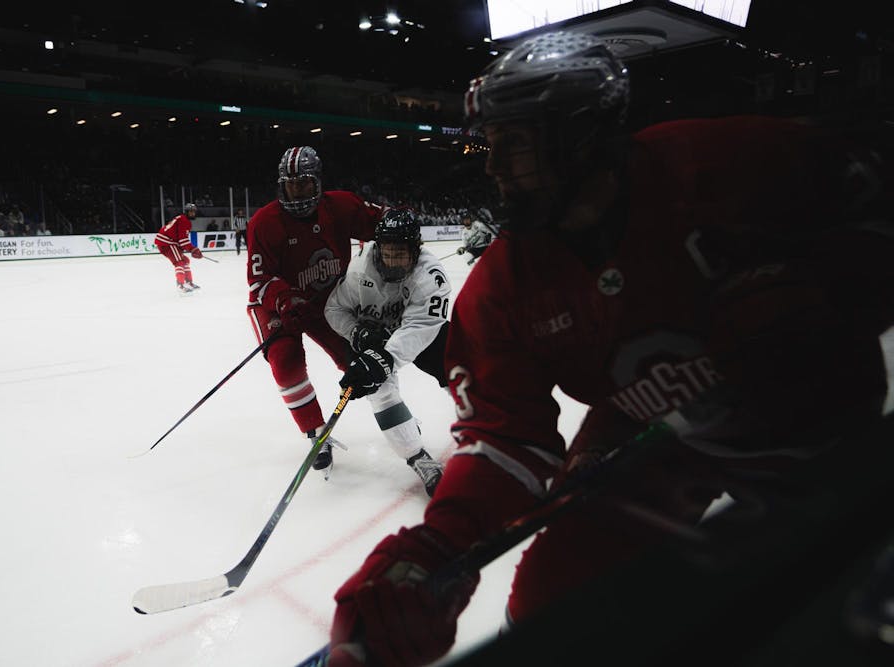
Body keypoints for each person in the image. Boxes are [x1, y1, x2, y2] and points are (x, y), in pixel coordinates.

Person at [327, 30, 894, 666]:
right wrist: (438, 543)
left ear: (579, 136)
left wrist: (829, 289)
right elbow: (504, 437)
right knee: (549, 599)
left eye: (511, 144)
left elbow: (875, 214)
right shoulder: (501, 287)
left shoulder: (728, 160)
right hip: (651, 435)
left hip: (817, 418)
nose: (491, 166)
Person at [246, 146, 384, 477]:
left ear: (317, 182)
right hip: (279, 306)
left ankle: (397, 422)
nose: (297, 191)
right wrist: (284, 299)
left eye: (304, 183)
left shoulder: (341, 206)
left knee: (361, 362)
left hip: (327, 301)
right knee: (286, 361)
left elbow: (383, 223)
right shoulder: (264, 222)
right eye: (291, 184)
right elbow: (258, 282)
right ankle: (315, 434)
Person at [324, 208, 450, 497]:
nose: (392, 262)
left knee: (458, 359)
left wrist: (387, 358)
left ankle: (483, 425)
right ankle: (418, 458)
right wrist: (356, 332)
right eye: (388, 253)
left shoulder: (431, 277)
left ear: (416, 251)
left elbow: (422, 326)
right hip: (368, 333)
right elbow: (334, 308)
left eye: (401, 254)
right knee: (379, 390)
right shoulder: (360, 268)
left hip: (411, 332)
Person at [155, 202, 202, 293]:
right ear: (187, 212)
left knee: (185, 261)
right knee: (179, 262)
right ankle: (180, 285)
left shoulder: (182, 218)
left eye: (194, 212)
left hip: (168, 242)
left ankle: (188, 282)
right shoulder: (184, 221)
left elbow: (180, 239)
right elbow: (183, 240)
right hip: (167, 243)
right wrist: (193, 249)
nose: (193, 213)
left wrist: (190, 249)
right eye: (191, 212)